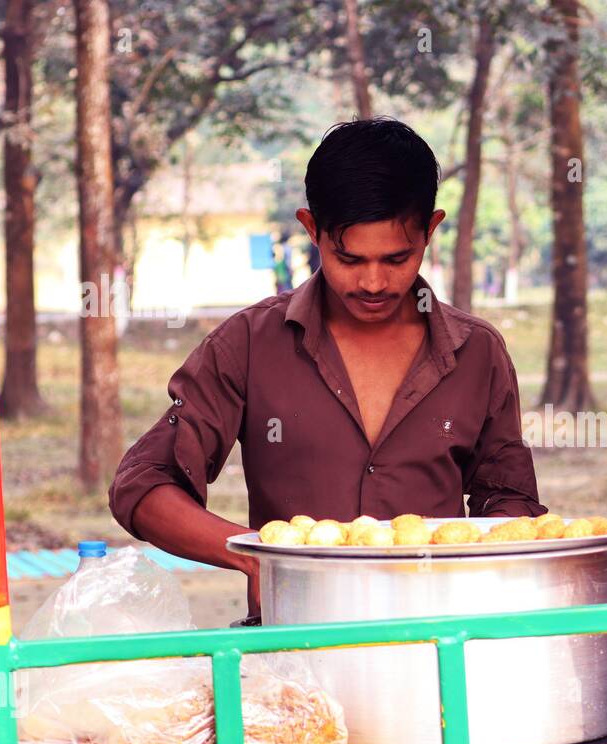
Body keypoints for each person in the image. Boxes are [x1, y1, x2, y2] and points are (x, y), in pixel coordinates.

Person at [110, 119, 544, 617]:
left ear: (431, 229)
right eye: (350, 259)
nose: (374, 282)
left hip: (441, 642)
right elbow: (142, 485)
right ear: (311, 229)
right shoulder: (250, 344)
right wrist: (257, 559)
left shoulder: (478, 353)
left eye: (397, 258)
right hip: (293, 653)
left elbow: (510, 506)